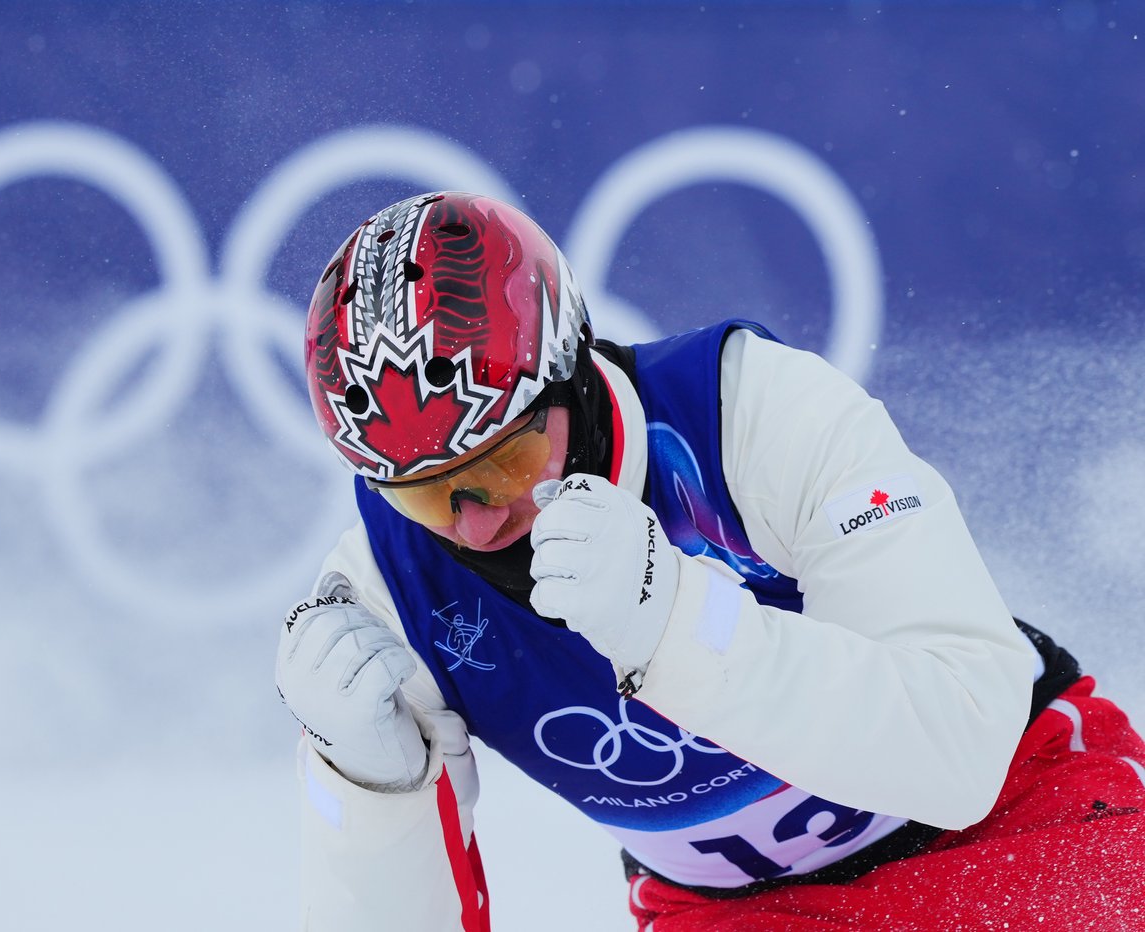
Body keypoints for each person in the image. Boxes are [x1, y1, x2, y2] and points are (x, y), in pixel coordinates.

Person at [273, 191, 1145, 931]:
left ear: (573, 372)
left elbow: (960, 752)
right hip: (736, 910)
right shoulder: (384, 594)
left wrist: (674, 625)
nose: (476, 522)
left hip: (1026, 817)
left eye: (504, 462)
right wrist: (370, 792)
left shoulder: (753, 411)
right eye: (426, 494)